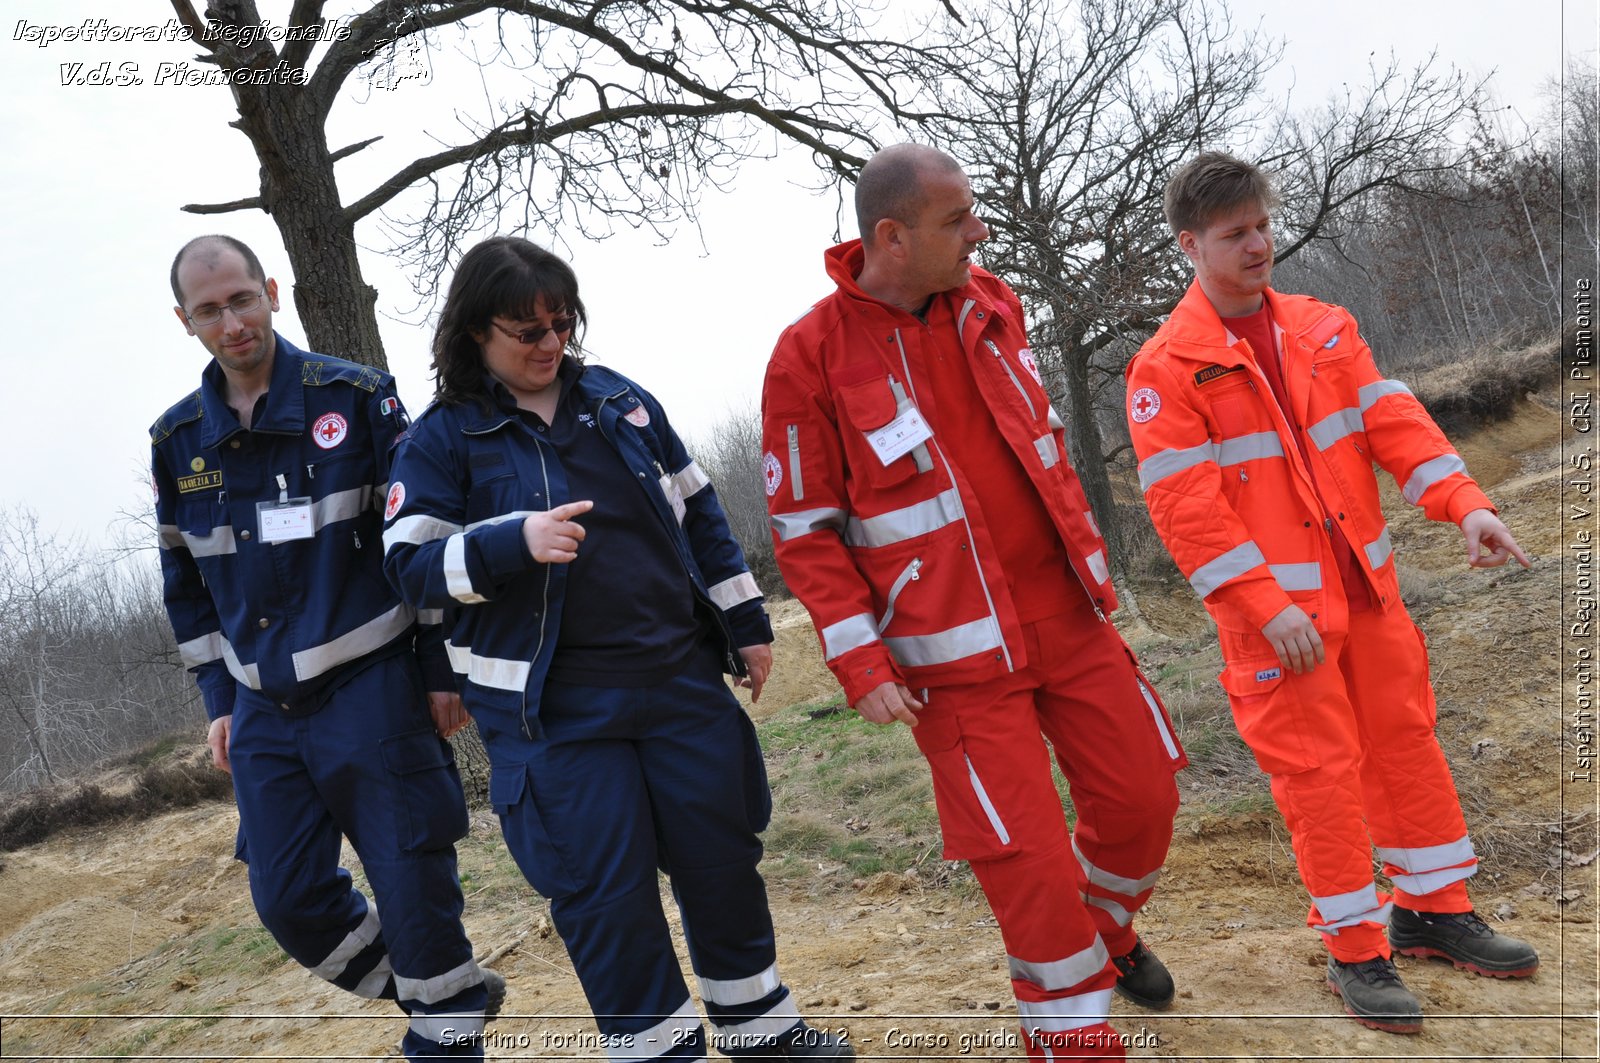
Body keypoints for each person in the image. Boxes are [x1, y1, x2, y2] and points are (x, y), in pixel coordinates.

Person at [760, 144, 1187, 1061]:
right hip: (950, 662)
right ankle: (1071, 1037)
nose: (979, 233)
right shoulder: (808, 356)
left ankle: (1104, 932)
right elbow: (805, 532)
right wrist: (858, 658)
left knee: (1145, 796)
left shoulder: (993, 303)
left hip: (1068, 621)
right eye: (957, 220)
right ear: (891, 235)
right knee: (1025, 862)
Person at [381, 235, 852, 1062]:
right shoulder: (442, 440)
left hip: (678, 684)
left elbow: (700, 512)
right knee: (607, 894)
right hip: (554, 714)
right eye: (525, 329)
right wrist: (509, 541)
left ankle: (761, 1028)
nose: (549, 343)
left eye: (560, 322)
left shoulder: (620, 402)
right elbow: (410, 569)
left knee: (721, 860)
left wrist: (745, 622)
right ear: (474, 333)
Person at [1125, 151, 1540, 1034]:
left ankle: (1433, 909)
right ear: (1190, 244)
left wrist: (1466, 505)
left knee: (1406, 745)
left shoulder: (1322, 326)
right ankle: (1356, 950)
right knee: (1318, 780)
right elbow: (1187, 511)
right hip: (1278, 623)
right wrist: (1266, 607)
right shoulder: (1165, 369)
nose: (1259, 244)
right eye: (1236, 233)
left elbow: (1394, 422)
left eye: (1263, 226)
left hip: (1369, 596)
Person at [152, 235, 502, 1058]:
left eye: (242, 298)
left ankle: (441, 1029)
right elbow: (185, 586)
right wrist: (218, 702)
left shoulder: (358, 395)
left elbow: (416, 543)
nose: (231, 321)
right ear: (185, 320)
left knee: (414, 885)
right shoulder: (177, 442)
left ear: (271, 290)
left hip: (372, 689)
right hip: (263, 711)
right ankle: (449, 993)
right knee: (289, 899)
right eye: (209, 310)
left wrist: (436, 667)